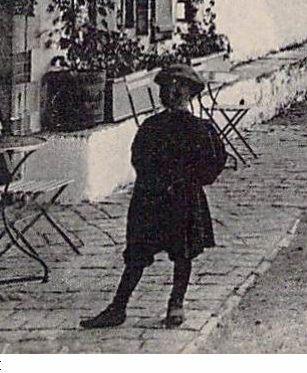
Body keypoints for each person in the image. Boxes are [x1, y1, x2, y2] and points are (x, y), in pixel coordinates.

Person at [81, 64, 228, 330]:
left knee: (182, 253)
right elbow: (139, 160)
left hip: (183, 199)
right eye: (167, 87)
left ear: (189, 93)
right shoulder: (152, 127)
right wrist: (159, 182)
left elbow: (213, 162)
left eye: (178, 88)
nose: (171, 92)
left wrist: (188, 181)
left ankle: (176, 304)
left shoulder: (200, 129)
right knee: (137, 255)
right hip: (151, 200)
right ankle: (118, 308)